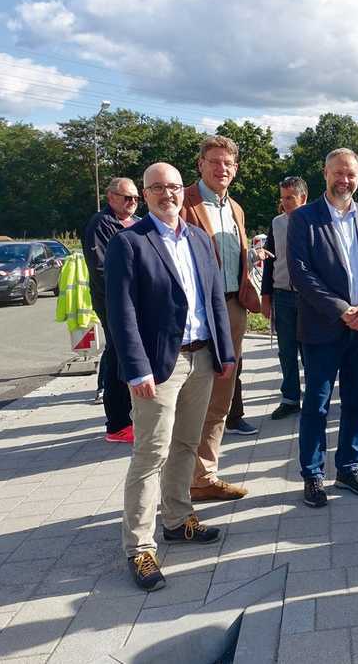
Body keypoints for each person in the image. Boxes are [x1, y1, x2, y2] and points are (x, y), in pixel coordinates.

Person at [105, 162, 236, 592]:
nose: (169, 194)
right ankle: (140, 547)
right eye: (158, 187)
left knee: (186, 444)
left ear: (184, 191)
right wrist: (136, 367)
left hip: (202, 359)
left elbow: (215, 297)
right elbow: (120, 313)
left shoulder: (198, 237)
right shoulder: (130, 242)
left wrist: (226, 352)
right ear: (145, 194)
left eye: (175, 187)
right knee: (150, 454)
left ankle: (178, 520)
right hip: (159, 366)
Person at [287, 148, 358, 508]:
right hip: (322, 329)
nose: (344, 180)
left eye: (351, 175)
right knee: (316, 405)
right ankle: (313, 475)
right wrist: (342, 309)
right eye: (338, 173)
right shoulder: (303, 219)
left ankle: (348, 467)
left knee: (357, 402)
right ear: (325, 173)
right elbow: (301, 273)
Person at [180, 135, 261, 504]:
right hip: (196, 314)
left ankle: (204, 476)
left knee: (221, 397)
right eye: (214, 161)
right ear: (200, 164)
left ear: (236, 168)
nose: (221, 168)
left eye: (228, 163)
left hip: (233, 310)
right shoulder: (183, 202)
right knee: (189, 399)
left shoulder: (236, 210)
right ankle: (179, 482)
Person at [83, 177, 140, 443]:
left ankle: (131, 416)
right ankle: (117, 424)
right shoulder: (101, 224)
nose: (132, 203)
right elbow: (102, 269)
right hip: (115, 304)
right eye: (127, 197)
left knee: (131, 358)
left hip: (138, 303)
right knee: (118, 358)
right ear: (111, 197)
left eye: (136, 198)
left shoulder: (137, 222)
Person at [262, 176, 309, 420]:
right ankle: (290, 398)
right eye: (282, 198)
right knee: (286, 350)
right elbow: (269, 260)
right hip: (282, 295)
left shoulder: (316, 221)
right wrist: (265, 296)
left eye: (290, 198)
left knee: (311, 349)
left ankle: (314, 397)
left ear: (304, 197)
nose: (285, 203)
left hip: (310, 298)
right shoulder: (277, 223)